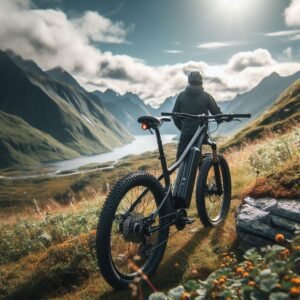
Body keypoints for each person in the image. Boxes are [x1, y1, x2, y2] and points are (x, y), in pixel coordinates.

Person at [172, 71, 222, 160]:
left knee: (181, 159)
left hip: (186, 133)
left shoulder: (181, 96)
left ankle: (181, 172)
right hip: (201, 133)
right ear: (201, 82)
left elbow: (175, 116)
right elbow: (216, 113)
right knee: (198, 156)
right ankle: (201, 170)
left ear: (189, 81)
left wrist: (183, 128)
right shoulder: (206, 96)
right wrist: (221, 119)